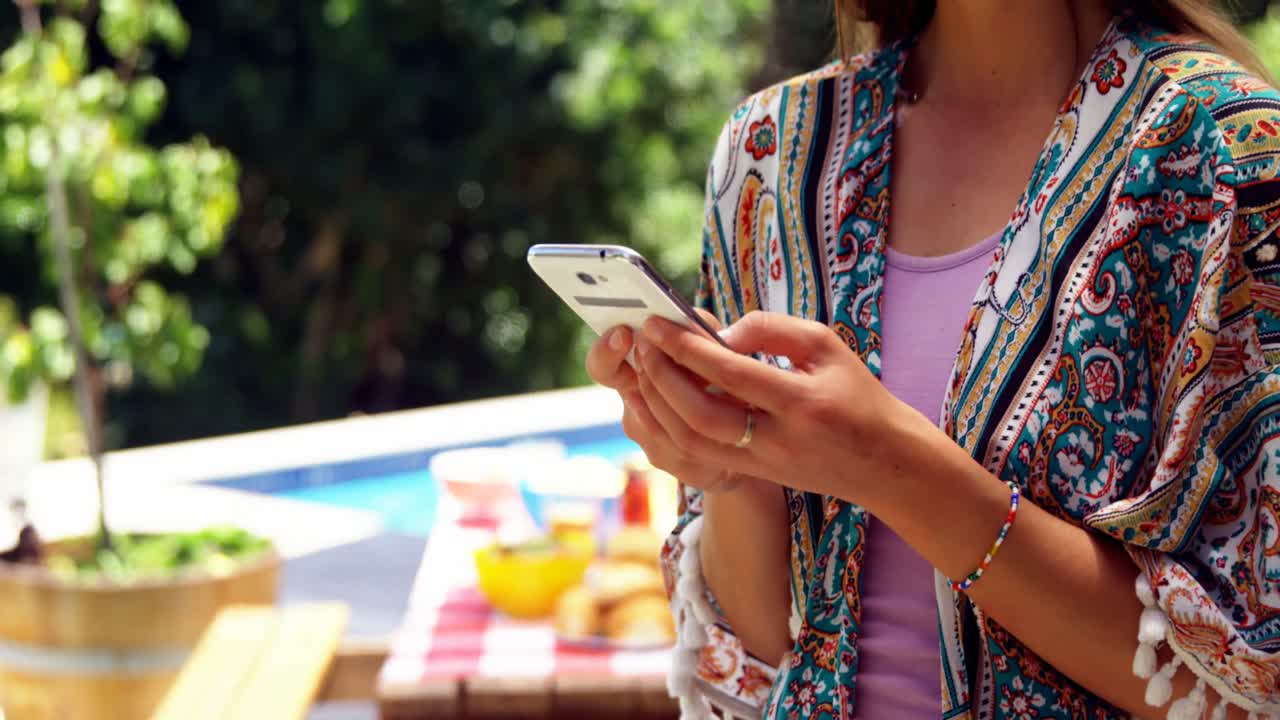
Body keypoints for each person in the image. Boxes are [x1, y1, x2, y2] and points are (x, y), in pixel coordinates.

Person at [586, 0, 1280, 718]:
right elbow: (759, 661)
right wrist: (724, 462)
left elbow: (1249, 690)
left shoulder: (1223, 152)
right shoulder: (775, 151)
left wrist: (891, 468)